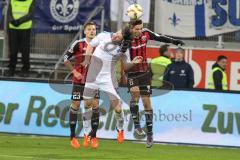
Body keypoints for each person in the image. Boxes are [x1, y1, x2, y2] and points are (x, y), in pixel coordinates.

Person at [122, 19, 184, 148]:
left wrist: (174, 41)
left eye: (141, 28)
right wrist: (130, 60)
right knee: (135, 94)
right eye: (137, 29)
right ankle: (137, 125)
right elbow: (122, 58)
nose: (139, 31)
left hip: (144, 72)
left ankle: (150, 134)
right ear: (131, 28)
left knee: (146, 102)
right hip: (132, 73)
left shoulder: (146, 34)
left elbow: (160, 37)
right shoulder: (126, 40)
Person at [83, 29, 143, 147]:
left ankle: (120, 129)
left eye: (119, 36)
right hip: (92, 76)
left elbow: (125, 66)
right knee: (87, 105)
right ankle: (86, 134)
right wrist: (87, 59)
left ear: (123, 40)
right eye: (118, 33)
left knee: (118, 108)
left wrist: (134, 63)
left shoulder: (123, 50)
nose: (116, 35)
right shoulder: (103, 36)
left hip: (107, 79)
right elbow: (90, 45)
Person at [63, 22, 99, 149]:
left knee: (94, 105)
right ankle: (72, 137)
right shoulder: (78, 44)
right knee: (75, 105)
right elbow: (65, 58)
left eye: (94, 29)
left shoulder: (100, 45)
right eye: (89, 29)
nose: (92, 31)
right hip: (79, 81)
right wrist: (74, 71)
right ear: (85, 31)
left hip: (94, 81)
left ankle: (92, 136)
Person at [6, 0, 35, 77]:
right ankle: (11, 69)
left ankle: (25, 69)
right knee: (13, 49)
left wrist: (19, 21)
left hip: (25, 28)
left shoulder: (31, 1)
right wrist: (12, 21)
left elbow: (30, 14)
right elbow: (9, 13)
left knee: (25, 50)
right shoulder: (12, 1)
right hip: (13, 28)